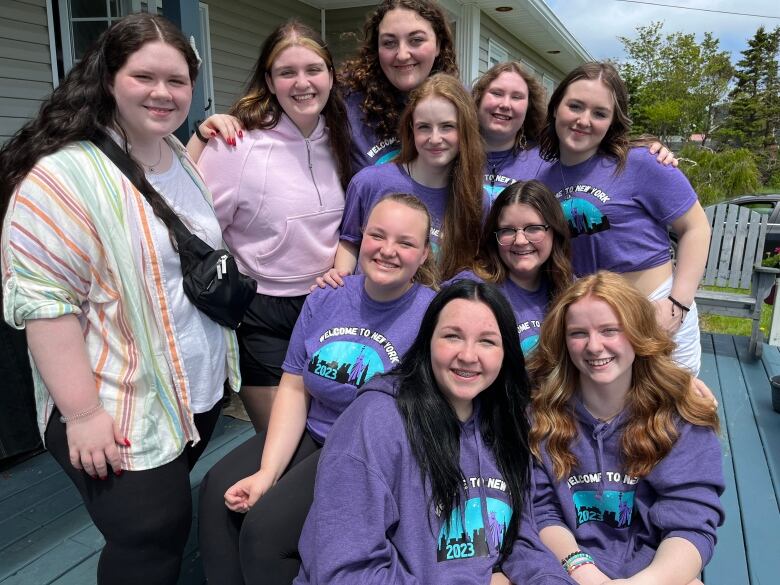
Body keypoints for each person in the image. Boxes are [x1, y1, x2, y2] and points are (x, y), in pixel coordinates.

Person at [0, 14, 238, 585]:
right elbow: (45, 305)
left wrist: (204, 135)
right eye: (145, 77)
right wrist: (81, 415)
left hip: (190, 390)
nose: (163, 93)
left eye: (177, 81)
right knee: (149, 538)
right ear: (108, 78)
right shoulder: (60, 176)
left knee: (160, 528)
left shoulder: (175, 153)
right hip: (116, 400)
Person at [198, 194, 438, 585]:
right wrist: (267, 472)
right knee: (214, 492)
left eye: (406, 243)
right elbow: (294, 388)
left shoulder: (432, 314)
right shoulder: (327, 296)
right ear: (362, 237)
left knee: (265, 532)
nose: (388, 251)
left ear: (424, 254)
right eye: (378, 235)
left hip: (365, 452)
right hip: (315, 429)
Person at [295, 279, 571, 585]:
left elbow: (518, 538)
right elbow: (345, 571)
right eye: (452, 336)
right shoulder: (376, 421)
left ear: (506, 353)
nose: (468, 355)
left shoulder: (506, 422)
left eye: (487, 341)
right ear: (427, 340)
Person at [188, 21, 352, 432]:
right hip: (263, 315)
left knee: (333, 438)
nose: (302, 83)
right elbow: (190, 221)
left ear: (331, 75)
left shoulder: (344, 140)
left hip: (329, 305)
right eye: (286, 72)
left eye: (314, 69)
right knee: (284, 447)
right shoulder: (238, 145)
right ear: (269, 80)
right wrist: (197, 138)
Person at [527, 271, 724, 584]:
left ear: (637, 333)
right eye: (578, 333)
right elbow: (542, 510)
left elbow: (689, 523)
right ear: (563, 341)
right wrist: (586, 572)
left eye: (610, 330)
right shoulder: (541, 416)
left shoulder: (681, 416)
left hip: (657, 570)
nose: (594, 346)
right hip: (565, 567)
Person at [534, 62, 710, 374]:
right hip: (592, 326)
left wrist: (678, 304)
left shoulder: (642, 162)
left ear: (613, 121)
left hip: (656, 310)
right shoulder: (542, 179)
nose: (584, 120)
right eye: (575, 106)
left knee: (674, 414)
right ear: (556, 107)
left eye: (599, 113)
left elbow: (696, 227)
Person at [329, 73, 485, 284]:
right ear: (411, 129)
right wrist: (341, 287)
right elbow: (349, 243)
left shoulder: (477, 200)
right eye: (424, 127)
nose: (435, 138)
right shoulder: (369, 183)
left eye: (447, 126)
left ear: (465, 129)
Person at [473, 61, 677, 209]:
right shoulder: (456, 155)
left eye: (517, 97)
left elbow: (593, 161)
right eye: (497, 93)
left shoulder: (545, 160)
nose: (505, 104)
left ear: (529, 107)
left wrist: (649, 148)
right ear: (479, 98)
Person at [448, 180, 573, 354]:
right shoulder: (472, 288)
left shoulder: (572, 290)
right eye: (507, 230)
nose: (520, 241)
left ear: (555, 232)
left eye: (533, 228)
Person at [340, 0, 459, 173]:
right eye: (389, 43)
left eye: (416, 40)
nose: (402, 55)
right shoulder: (347, 105)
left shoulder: (460, 106)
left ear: (438, 45)